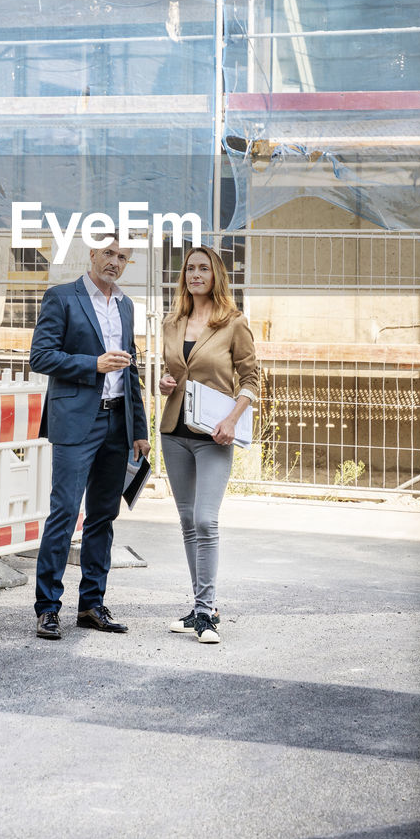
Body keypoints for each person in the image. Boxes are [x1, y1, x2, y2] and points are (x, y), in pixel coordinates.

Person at [29, 240, 150, 641]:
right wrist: (92, 365)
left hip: (119, 424)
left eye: (122, 258)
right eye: (109, 254)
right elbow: (41, 356)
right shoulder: (62, 297)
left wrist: (141, 431)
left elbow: (130, 370)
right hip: (77, 422)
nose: (115, 262)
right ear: (92, 256)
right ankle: (47, 608)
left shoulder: (126, 306)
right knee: (64, 513)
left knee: (103, 517)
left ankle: (91, 605)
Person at [158, 246, 259, 644]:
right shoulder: (172, 321)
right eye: (189, 269)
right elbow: (172, 373)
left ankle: (205, 612)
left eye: (203, 268)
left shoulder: (233, 323)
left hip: (214, 434)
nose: (195, 274)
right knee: (186, 522)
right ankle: (202, 607)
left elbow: (252, 378)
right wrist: (167, 383)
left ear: (216, 274)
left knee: (206, 520)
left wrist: (233, 420)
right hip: (174, 432)